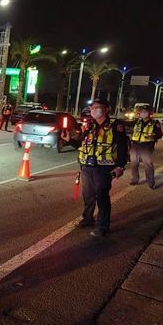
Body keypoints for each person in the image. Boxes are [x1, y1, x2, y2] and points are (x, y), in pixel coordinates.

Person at [61, 97, 128, 237]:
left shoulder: (115, 126)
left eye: (96, 107)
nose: (93, 110)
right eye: (91, 108)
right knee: (88, 195)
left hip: (104, 168)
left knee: (102, 196)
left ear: (106, 109)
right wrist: (69, 140)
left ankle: (102, 226)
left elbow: (123, 148)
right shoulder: (90, 126)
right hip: (87, 167)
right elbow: (82, 145)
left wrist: (120, 167)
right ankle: (87, 219)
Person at [129, 104, 162, 189]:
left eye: (145, 112)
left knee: (148, 164)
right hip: (135, 144)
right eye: (142, 112)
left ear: (149, 113)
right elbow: (127, 124)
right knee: (133, 163)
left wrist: (153, 136)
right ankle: (135, 179)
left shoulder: (155, 123)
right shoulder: (137, 122)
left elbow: (160, 134)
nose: (143, 113)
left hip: (146, 146)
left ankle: (151, 182)